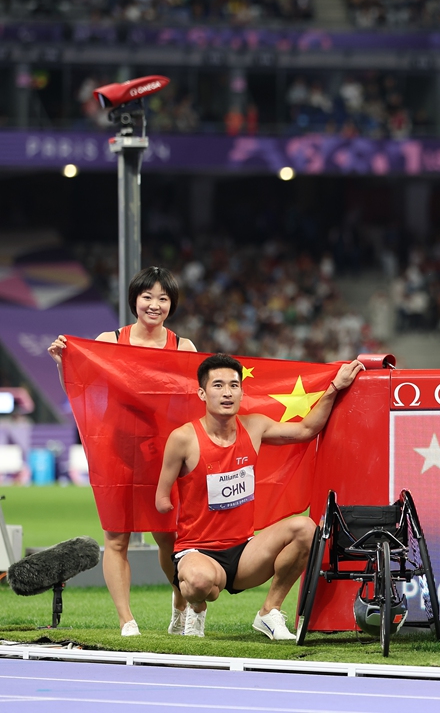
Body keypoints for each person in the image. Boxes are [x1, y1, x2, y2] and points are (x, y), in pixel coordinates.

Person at [155, 353, 364, 639]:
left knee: (306, 529)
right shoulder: (183, 438)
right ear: (202, 393)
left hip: (244, 552)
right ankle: (194, 607)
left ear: (242, 390)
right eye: (218, 385)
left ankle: (269, 611)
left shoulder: (254, 426)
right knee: (202, 583)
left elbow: (306, 429)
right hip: (198, 551)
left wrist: (335, 387)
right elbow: (160, 500)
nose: (227, 393)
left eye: (234, 385)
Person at [48, 266, 197, 637]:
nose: (154, 304)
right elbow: (83, 385)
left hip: (165, 457)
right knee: (117, 538)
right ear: (134, 300)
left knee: (170, 538)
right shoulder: (109, 340)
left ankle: (180, 605)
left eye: (163, 298)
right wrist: (63, 361)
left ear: (171, 305)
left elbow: (197, 401)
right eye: (147, 296)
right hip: (117, 453)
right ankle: (126, 620)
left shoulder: (184, 347)